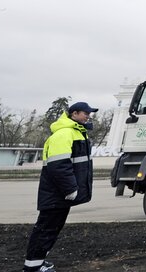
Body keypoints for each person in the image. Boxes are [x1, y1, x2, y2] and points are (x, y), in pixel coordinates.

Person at [23, 101, 98, 272]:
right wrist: (70, 189)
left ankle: (38, 262)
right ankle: (33, 267)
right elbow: (59, 166)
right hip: (56, 193)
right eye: (86, 113)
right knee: (46, 229)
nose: (88, 116)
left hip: (60, 194)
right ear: (74, 114)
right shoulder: (64, 134)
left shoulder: (76, 133)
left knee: (52, 228)